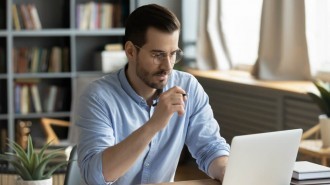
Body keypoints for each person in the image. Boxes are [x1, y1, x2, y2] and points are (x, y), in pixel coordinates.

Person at [75, 4, 230, 185]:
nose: (168, 66)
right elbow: (96, 177)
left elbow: (210, 148)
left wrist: (226, 170)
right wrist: (154, 124)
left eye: (173, 54)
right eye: (158, 55)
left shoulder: (188, 86)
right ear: (131, 51)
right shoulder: (97, 97)